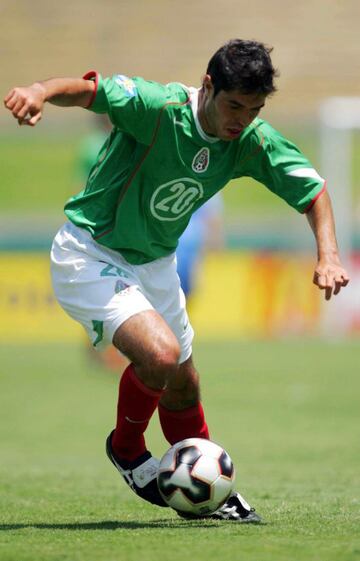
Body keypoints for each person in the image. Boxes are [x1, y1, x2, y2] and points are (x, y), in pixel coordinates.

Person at [4, 39, 350, 522]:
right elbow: (91, 92)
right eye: (233, 105)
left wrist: (329, 255)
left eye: (253, 110)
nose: (241, 120)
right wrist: (39, 91)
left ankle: (210, 490)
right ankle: (127, 448)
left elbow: (312, 190)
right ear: (208, 86)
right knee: (162, 356)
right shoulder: (158, 107)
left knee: (184, 385)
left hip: (155, 263)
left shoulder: (250, 138)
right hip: (90, 252)